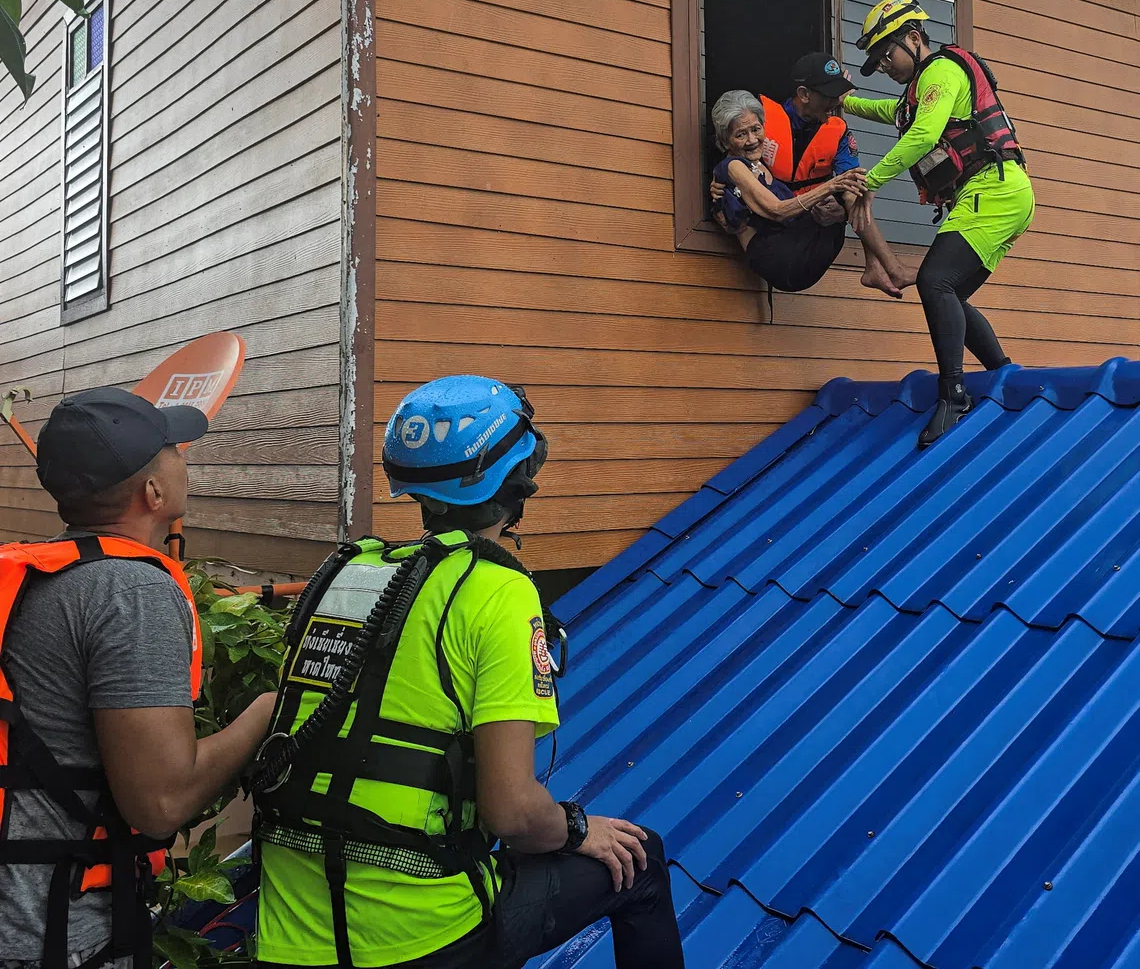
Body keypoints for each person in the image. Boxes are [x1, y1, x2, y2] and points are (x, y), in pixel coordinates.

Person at [253, 375, 684, 969]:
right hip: (421, 936)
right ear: (516, 482)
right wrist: (581, 829)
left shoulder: (351, 573)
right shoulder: (497, 591)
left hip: (287, 934)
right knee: (643, 861)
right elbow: (513, 815)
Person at [0, 387, 277, 969]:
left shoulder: (33, 576)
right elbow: (160, 800)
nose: (183, 455)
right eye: (173, 448)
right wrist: (267, 711)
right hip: (54, 932)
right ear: (153, 491)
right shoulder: (128, 592)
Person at [843, 0, 1033, 447]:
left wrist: (872, 180)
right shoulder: (917, 95)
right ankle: (1003, 375)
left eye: (887, 54)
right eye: (876, 60)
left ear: (914, 38)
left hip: (996, 189)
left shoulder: (943, 72)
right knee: (951, 294)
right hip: (992, 194)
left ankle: (954, 395)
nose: (884, 65)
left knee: (935, 282)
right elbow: (890, 112)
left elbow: (926, 135)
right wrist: (844, 101)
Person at [708, 88, 910, 307]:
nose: (752, 139)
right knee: (846, 192)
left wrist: (838, 203)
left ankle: (874, 266)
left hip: (792, 245)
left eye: (756, 129)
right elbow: (777, 210)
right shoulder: (734, 166)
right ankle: (892, 268)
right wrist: (831, 185)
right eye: (740, 134)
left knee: (850, 196)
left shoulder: (760, 164)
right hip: (777, 257)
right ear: (726, 141)